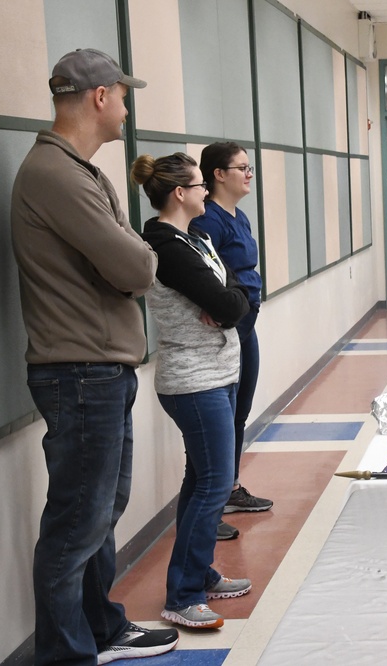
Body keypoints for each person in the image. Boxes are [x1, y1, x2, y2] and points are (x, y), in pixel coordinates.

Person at [10, 48, 179, 664]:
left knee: (100, 511)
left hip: (99, 369)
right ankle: (65, 652)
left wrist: (133, 255)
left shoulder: (82, 171)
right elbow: (136, 263)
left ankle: (100, 627)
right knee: (77, 521)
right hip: (79, 373)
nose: (128, 107)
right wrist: (138, 257)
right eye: (123, 94)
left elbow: (128, 255)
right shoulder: (54, 174)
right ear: (99, 97)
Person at [132, 152, 254, 629]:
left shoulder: (197, 237)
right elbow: (226, 300)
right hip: (193, 379)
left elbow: (235, 291)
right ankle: (182, 595)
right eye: (201, 185)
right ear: (179, 194)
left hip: (217, 372)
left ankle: (197, 574)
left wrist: (229, 304)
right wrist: (228, 304)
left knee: (199, 479)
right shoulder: (166, 246)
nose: (208, 192)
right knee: (215, 482)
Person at [191, 142, 274, 543]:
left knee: (239, 412)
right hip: (226, 331)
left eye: (249, 167)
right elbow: (207, 275)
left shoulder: (238, 217)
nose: (248, 174)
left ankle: (230, 488)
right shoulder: (208, 221)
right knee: (219, 420)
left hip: (247, 324)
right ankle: (212, 499)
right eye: (241, 167)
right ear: (218, 174)